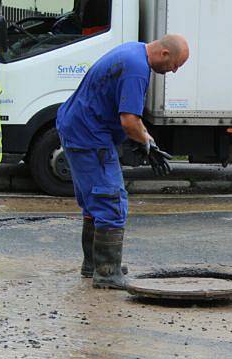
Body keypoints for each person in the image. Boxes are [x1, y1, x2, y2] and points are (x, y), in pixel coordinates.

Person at [56, 35, 189, 289]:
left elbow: (125, 117)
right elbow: (129, 121)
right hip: (89, 136)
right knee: (111, 201)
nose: (173, 71)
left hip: (76, 127)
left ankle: (94, 264)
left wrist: (144, 141)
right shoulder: (137, 70)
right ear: (164, 53)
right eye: (175, 65)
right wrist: (147, 143)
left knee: (94, 201)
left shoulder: (134, 51)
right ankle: (107, 274)